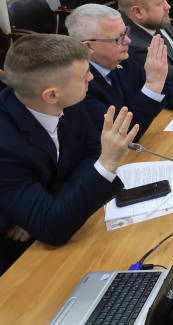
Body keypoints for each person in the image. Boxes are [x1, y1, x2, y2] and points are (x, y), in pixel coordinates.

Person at [0, 34, 139, 274]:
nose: (91, 78)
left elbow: (91, 152)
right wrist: (107, 164)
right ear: (51, 95)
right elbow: (53, 229)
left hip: (57, 223)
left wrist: (44, 207)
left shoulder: (68, 101)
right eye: (84, 76)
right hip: (17, 259)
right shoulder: (4, 145)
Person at [65, 4, 173, 138]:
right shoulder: (78, 87)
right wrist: (153, 85)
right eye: (118, 38)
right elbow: (124, 134)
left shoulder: (122, 56)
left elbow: (160, 84)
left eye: (125, 32)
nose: (128, 41)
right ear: (88, 47)